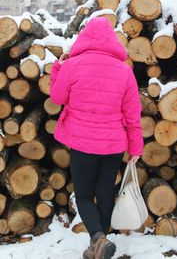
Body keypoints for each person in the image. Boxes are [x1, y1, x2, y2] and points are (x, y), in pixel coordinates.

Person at [50, 17, 144, 259]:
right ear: (111, 39)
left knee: (82, 194)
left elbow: (58, 97)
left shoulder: (72, 65)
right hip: (113, 145)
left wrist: (58, 68)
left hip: (82, 143)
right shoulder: (124, 71)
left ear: (85, 37)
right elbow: (132, 114)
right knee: (104, 194)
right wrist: (135, 147)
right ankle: (99, 246)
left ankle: (98, 240)